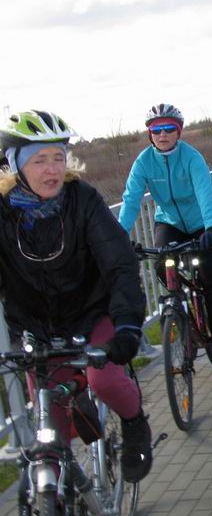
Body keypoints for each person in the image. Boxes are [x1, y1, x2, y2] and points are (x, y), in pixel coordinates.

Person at [0, 110, 153, 483]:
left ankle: (135, 426)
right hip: (37, 329)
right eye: (39, 160)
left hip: (91, 314)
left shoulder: (82, 200)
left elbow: (118, 264)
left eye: (58, 157)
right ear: (13, 166)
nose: (52, 169)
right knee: (52, 427)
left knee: (107, 381)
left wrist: (129, 325)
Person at [118, 103, 212, 372]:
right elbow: (131, 199)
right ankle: (180, 312)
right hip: (168, 222)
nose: (162, 135)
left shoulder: (192, 158)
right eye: (156, 129)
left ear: (178, 131)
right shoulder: (144, 162)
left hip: (199, 223)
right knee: (161, 262)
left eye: (168, 128)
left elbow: (205, 193)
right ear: (150, 134)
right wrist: (118, 236)